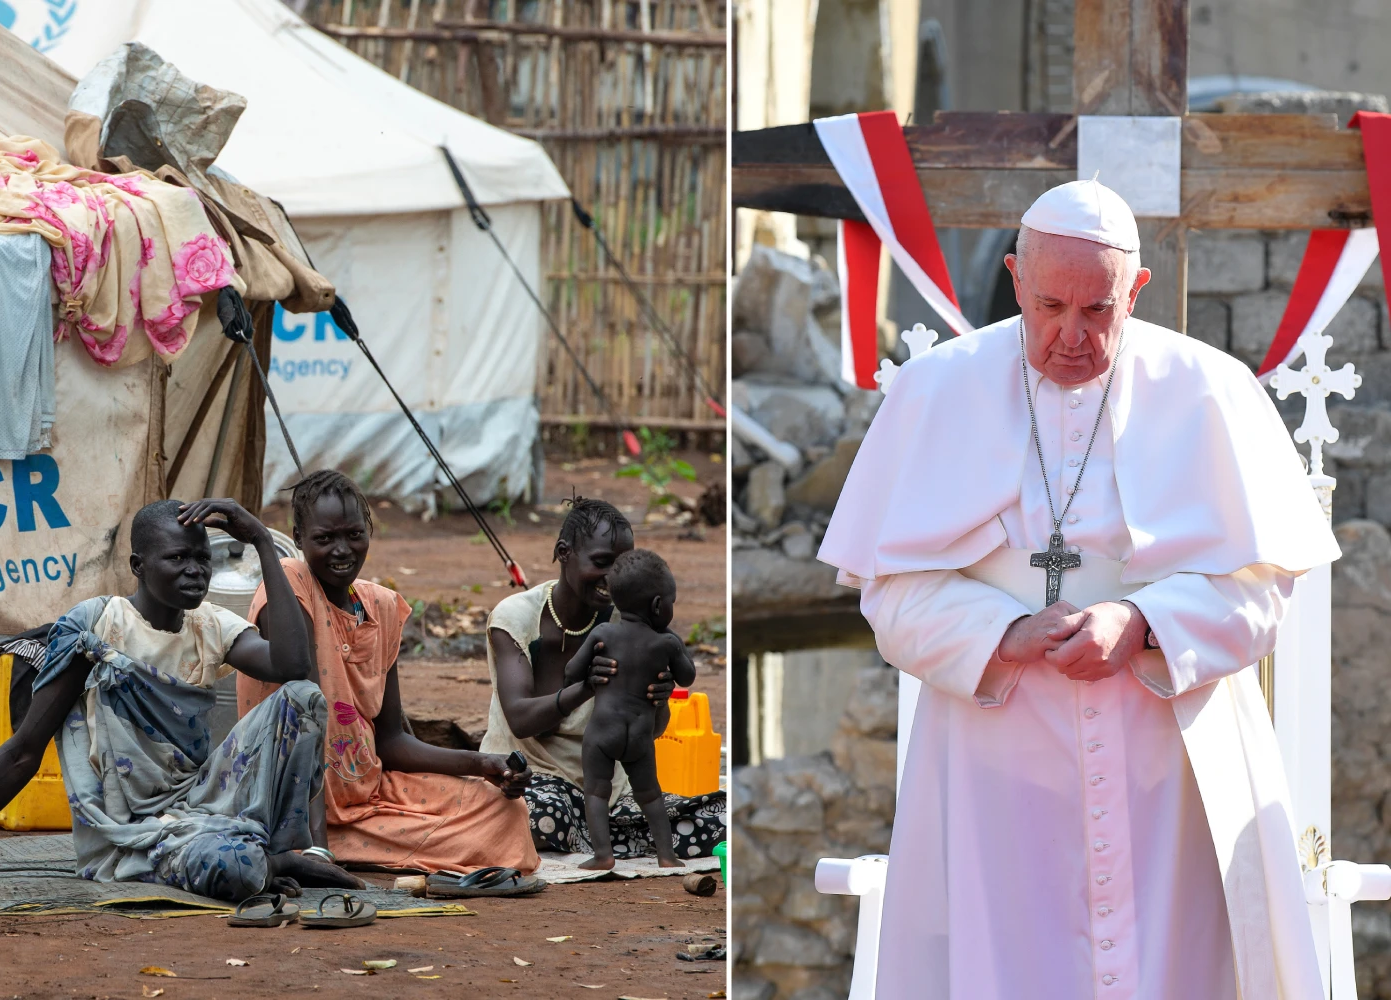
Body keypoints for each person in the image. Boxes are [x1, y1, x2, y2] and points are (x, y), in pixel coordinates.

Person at [818, 178, 1339, 999]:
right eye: (1050, 305)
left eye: (1097, 311)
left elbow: (1262, 593)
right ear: (1018, 279)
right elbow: (890, 597)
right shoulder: (938, 390)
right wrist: (1000, 632)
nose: (1071, 335)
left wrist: (1143, 617)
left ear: (1134, 289)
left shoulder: (1210, 389)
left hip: (1169, 771)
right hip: (996, 773)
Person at [0, 498, 359, 902]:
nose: (195, 570)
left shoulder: (211, 625)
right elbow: (23, 752)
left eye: (202, 558)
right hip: (128, 833)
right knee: (235, 868)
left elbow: (294, 666)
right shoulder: (96, 628)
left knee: (304, 699)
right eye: (178, 558)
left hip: (200, 802)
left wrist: (262, 540)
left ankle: (274, 852)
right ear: (138, 565)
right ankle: (270, 862)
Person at [240, 470, 538, 878]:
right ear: (297, 537)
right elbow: (300, 698)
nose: (342, 550)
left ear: (369, 532)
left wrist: (480, 761)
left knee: (505, 810)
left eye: (354, 535)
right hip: (292, 803)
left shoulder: (381, 607)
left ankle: (349, 846)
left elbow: (391, 740)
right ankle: (314, 848)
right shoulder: (290, 583)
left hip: (369, 796)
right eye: (324, 539)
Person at [484, 498, 725, 860]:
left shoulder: (631, 625)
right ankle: (611, 839)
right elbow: (521, 720)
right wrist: (585, 688)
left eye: (622, 564)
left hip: (610, 790)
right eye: (601, 562)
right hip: (532, 780)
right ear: (564, 553)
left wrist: (657, 699)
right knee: (543, 815)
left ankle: (604, 839)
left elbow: (653, 730)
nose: (612, 578)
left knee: (719, 817)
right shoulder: (516, 618)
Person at [562, 548, 695, 870]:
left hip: (601, 732)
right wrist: (671, 642)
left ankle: (603, 855)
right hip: (640, 734)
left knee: (595, 792)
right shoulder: (666, 643)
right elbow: (687, 677)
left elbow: (571, 673)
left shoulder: (603, 634)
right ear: (658, 605)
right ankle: (666, 856)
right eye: (671, 602)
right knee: (650, 795)